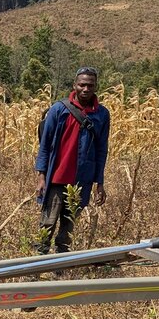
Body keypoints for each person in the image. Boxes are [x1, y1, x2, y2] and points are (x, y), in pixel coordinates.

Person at [34, 67, 110, 253]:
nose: (86, 89)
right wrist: (41, 176)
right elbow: (45, 144)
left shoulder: (101, 114)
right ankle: (36, 266)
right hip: (57, 178)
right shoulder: (59, 109)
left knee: (68, 228)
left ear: (95, 87)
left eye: (90, 85)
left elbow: (102, 150)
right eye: (82, 84)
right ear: (74, 85)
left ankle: (61, 268)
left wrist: (99, 182)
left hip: (81, 180)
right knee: (48, 223)